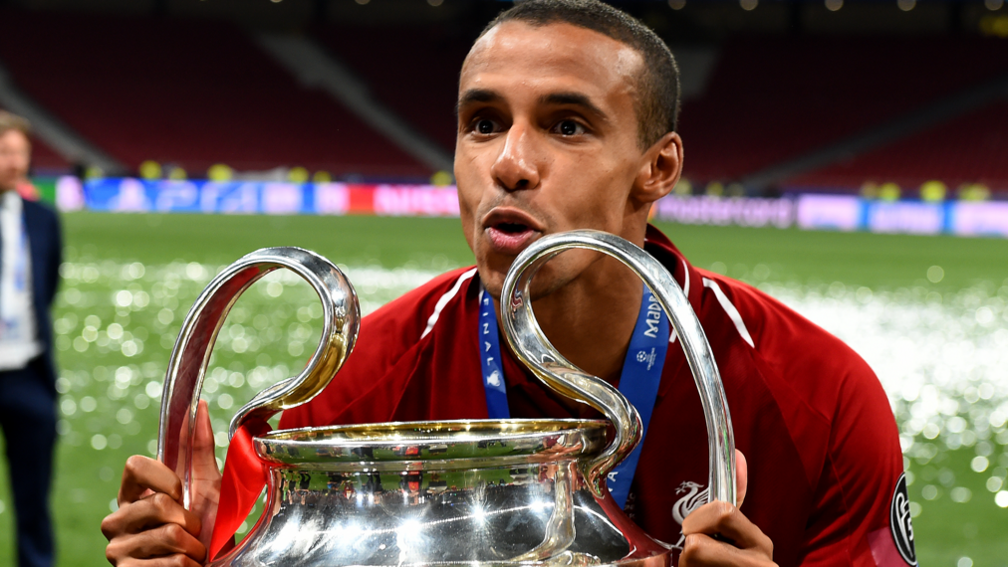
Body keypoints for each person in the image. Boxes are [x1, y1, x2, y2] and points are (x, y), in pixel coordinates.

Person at [101, 2, 914, 566]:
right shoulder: (354, 392)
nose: (510, 164)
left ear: (657, 168)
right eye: (482, 123)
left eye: (567, 125)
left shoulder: (821, 399)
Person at [0, 111, 63, 567]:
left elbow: (49, 284)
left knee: (34, 495)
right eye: (4, 152)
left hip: (28, 373)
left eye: (20, 152)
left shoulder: (43, 218)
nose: (14, 162)